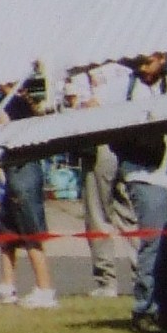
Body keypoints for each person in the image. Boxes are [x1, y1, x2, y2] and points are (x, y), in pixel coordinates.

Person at [114, 53, 167, 327]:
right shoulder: (123, 87)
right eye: (138, 63)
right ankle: (145, 306)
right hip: (142, 172)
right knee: (153, 241)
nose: (143, 68)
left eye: (148, 61)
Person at [0, 78, 58, 308]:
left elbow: (5, 129)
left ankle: (45, 289)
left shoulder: (21, 102)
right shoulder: (3, 102)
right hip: (11, 172)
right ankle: (7, 285)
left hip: (25, 170)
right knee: (6, 233)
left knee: (31, 231)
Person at [67, 59, 136, 297]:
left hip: (103, 144)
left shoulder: (105, 73)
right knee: (126, 211)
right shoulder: (124, 72)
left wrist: (80, 103)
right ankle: (140, 274)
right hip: (121, 142)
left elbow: (81, 106)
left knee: (98, 213)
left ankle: (107, 280)